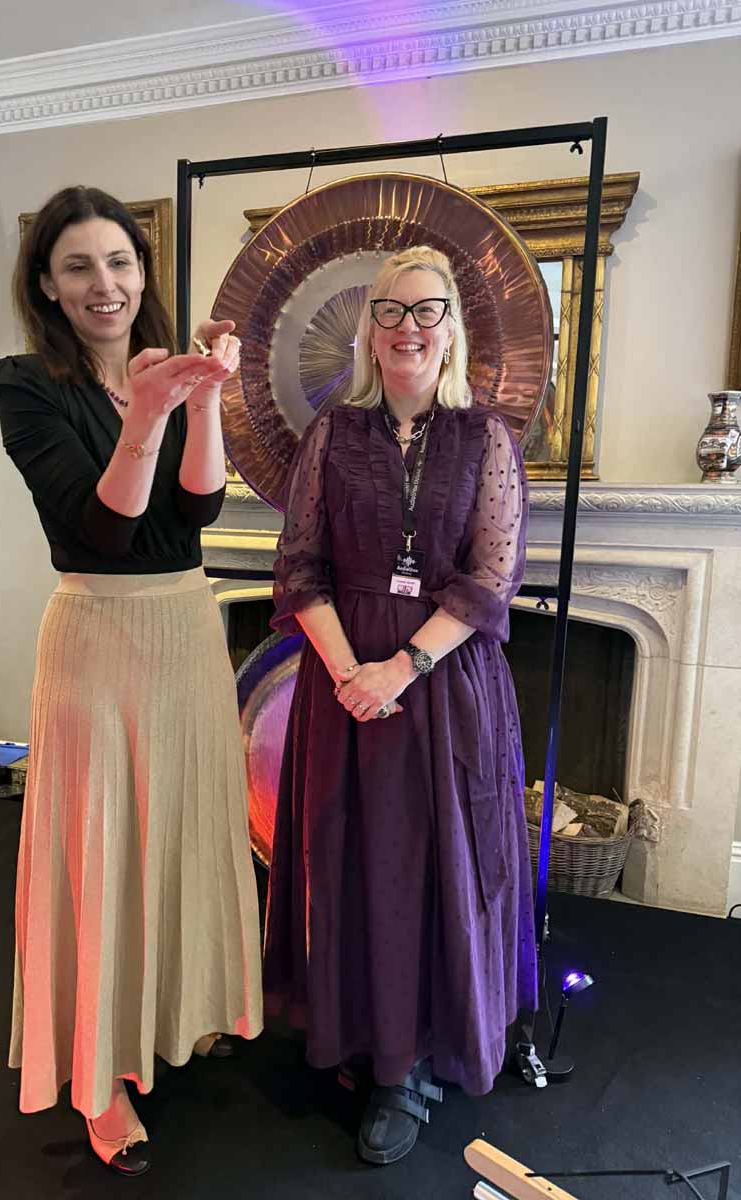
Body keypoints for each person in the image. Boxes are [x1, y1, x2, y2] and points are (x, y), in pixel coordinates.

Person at [0, 186, 263, 1176]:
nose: (104, 283)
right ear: (46, 286)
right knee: (102, 847)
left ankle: (182, 1007)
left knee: (185, 829)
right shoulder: (24, 383)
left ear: (143, 273)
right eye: (78, 266)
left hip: (186, 626)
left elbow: (196, 512)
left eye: (119, 262)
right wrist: (147, 413)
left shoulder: (165, 367)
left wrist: (205, 398)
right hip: (98, 635)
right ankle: (99, 1076)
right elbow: (105, 527)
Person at [262, 246, 537, 1165]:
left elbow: (491, 579)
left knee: (433, 868)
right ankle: (359, 1033)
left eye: (427, 310)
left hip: (445, 685)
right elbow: (299, 566)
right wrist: (352, 672)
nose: (408, 327)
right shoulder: (332, 435)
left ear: (451, 329)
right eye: (391, 310)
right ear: (369, 329)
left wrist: (400, 669)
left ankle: (411, 1061)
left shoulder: (485, 438)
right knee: (352, 862)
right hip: (342, 685)